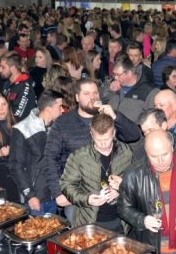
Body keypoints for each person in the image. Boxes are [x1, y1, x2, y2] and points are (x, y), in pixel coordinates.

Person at [44, 79, 141, 212]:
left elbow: (134, 135)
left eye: (95, 93)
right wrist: (58, 192)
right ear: (77, 97)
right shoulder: (63, 123)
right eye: (87, 94)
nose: (93, 97)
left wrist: (115, 116)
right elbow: (50, 158)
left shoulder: (107, 118)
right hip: (78, 193)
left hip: (111, 190)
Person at [118, 130, 176, 254]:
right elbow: (123, 207)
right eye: (153, 156)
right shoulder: (134, 173)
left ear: (172, 148)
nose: (160, 162)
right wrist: (142, 220)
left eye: (164, 155)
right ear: (146, 153)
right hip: (152, 247)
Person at [60, 113, 133, 230]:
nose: (103, 144)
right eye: (99, 140)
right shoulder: (79, 156)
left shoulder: (126, 152)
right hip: (89, 220)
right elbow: (66, 184)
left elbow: (134, 183)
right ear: (91, 134)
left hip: (120, 220)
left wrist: (121, 189)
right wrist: (87, 199)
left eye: (107, 139)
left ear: (114, 133)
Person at [10, 91, 66, 216]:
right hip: (36, 199)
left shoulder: (58, 127)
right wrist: (30, 195)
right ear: (48, 109)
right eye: (59, 106)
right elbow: (16, 166)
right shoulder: (22, 129)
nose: (63, 110)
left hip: (55, 195)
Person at [102, 58, 158, 125]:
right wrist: (110, 90)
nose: (115, 78)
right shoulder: (116, 86)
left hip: (132, 134)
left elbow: (153, 120)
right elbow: (103, 101)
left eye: (118, 75)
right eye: (114, 74)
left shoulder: (149, 91)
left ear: (129, 72)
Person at [0, 52, 36, 121]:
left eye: (3, 67)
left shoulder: (25, 87)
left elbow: (17, 115)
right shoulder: (7, 83)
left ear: (13, 68)